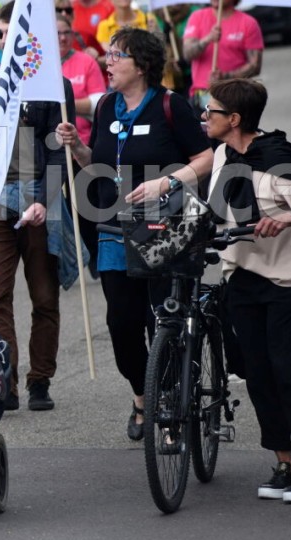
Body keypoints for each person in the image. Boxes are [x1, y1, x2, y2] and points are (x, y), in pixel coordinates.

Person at [56, 27, 212, 440]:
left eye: (116, 55)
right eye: (107, 55)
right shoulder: (106, 106)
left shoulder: (169, 105)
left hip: (165, 228)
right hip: (112, 228)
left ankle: (169, 398)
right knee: (122, 324)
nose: (107, 62)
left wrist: (168, 183)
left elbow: (206, 157)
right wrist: (77, 148)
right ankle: (142, 395)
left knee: (159, 318)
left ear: (141, 65)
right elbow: (100, 164)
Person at [0, 1, 76, 412]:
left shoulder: (55, 86)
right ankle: (4, 380)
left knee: (44, 298)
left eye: (15, 34)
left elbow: (60, 153)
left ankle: (40, 380)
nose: (8, 41)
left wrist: (45, 200)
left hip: (39, 207)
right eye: (1, 35)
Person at [203, 79, 291, 503]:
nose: (204, 115)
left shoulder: (277, 157)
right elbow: (215, 208)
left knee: (289, 368)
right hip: (243, 273)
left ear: (233, 119)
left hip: (287, 276)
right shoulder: (222, 154)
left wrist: (287, 219)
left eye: (210, 110)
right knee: (258, 372)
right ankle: (284, 462)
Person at [182, 0, 263, 110]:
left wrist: (224, 77)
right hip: (201, 97)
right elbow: (187, 54)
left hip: (233, 96)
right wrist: (208, 39)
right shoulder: (197, 17)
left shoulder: (248, 23)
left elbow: (255, 66)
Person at [58, 15, 107, 146]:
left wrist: (60, 105)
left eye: (67, 32)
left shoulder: (87, 61)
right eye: (57, 33)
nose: (63, 38)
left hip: (84, 142)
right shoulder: (39, 65)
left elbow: (99, 103)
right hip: (50, 146)